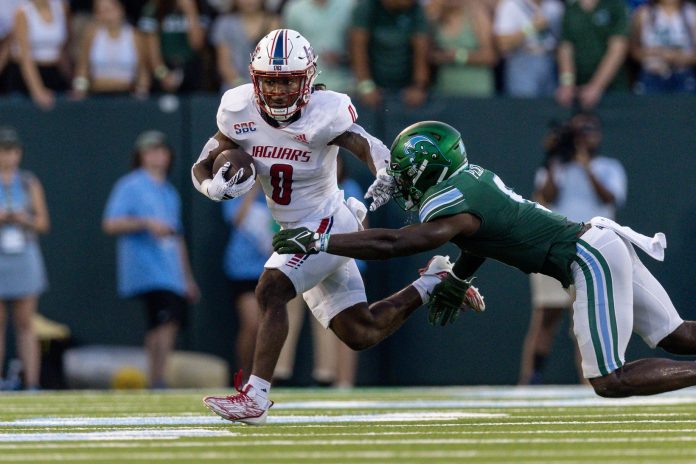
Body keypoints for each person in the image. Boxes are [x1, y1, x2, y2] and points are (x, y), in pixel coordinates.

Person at [274, 120, 696, 400]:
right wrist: (457, 276)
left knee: (608, 379)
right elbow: (480, 238)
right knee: (676, 335)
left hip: (586, 257)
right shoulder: (470, 180)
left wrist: (322, 240)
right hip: (599, 243)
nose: (398, 178)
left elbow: (395, 244)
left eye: (403, 169)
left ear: (426, 167)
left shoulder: (450, 203)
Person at [191, 29, 455, 424]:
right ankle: (434, 281)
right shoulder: (236, 108)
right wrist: (213, 187)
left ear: (308, 79)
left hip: (327, 222)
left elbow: (364, 142)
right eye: (270, 81)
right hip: (295, 229)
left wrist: (383, 169)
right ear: (255, 79)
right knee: (360, 332)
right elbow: (203, 162)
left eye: (287, 82)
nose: (278, 92)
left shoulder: (325, 110)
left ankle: (256, 397)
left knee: (271, 287)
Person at [519, 112, 627, 385]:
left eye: (589, 129)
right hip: (555, 247)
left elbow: (609, 197)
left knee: (588, 320)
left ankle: (591, 382)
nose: (584, 135)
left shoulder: (609, 166)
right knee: (546, 315)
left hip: (595, 250)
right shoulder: (554, 166)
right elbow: (546, 197)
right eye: (578, 131)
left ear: (599, 134)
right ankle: (531, 381)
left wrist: (585, 166)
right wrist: (555, 158)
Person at [103, 130, 199, 389]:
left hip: (170, 270)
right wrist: (145, 223)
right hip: (147, 268)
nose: (157, 156)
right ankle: (157, 377)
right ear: (141, 156)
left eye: (161, 150)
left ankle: (158, 376)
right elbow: (111, 223)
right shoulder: (130, 185)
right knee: (161, 322)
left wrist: (187, 278)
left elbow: (177, 237)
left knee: (168, 323)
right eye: (150, 151)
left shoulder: (169, 192)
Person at [0, 126, 50, 391]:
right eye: (4, 151)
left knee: (25, 323)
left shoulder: (28, 182)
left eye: (13, 151)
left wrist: (24, 219)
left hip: (24, 254)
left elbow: (42, 223)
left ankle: (31, 383)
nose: (8, 157)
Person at [221, 184, 273, 377]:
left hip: (271, 269)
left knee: (268, 327)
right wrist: (253, 191)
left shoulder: (278, 194)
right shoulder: (234, 191)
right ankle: (245, 376)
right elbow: (236, 219)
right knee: (252, 325)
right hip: (243, 270)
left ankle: (263, 379)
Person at [349, 0, 430, 107]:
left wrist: (418, 86)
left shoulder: (416, 9)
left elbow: (422, 51)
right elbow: (357, 48)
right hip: (375, 81)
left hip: (406, 85)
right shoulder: (367, 7)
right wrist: (366, 85)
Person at [556, 0, 630, 109]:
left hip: (612, 88)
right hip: (577, 90)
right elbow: (565, 49)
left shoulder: (615, 5)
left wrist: (596, 86)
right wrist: (567, 83)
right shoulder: (570, 7)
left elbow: (617, 49)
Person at [71, 0, 150, 99]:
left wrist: (142, 91)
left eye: (109, 10)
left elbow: (142, 69)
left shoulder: (134, 36)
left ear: (121, 10)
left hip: (126, 95)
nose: (107, 15)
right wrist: (80, 88)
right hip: (97, 95)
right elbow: (83, 66)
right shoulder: (92, 34)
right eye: (101, 11)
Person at [6, 0, 71, 110]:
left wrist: (70, 81)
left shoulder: (61, 9)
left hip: (53, 73)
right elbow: (25, 56)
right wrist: (37, 90)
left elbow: (63, 50)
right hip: (25, 77)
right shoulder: (22, 13)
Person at [493, 0, 565, 97]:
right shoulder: (511, 5)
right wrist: (530, 28)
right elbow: (503, 45)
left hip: (550, 61)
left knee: (549, 107)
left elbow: (564, 43)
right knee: (524, 107)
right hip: (522, 61)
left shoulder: (554, 7)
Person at [283, 0, 356, 93]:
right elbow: (290, 50)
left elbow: (361, 46)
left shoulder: (350, 5)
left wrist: (343, 57)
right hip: (310, 88)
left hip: (348, 85)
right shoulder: (294, 9)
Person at [429, 0, 498, 97]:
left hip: (476, 91)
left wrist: (457, 56)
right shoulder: (436, 19)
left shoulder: (477, 16)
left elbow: (490, 56)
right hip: (445, 89)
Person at [210, 0, 280, 92]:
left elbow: (277, 61)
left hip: (268, 89)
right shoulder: (224, 24)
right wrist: (241, 86)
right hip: (233, 90)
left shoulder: (274, 22)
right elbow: (224, 64)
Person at [629, 0, 696, 95]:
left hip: (684, 75)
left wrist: (676, 57)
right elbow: (633, 51)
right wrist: (655, 53)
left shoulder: (691, 12)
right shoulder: (643, 12)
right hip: (651, 74)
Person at [138, 0, 205, 93]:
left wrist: (190, 10)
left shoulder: (199, 6)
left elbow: (197, 44)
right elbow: (152, 55)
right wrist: (163, 75)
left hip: (191, 67)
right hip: (164, 68)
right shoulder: (153, 7)